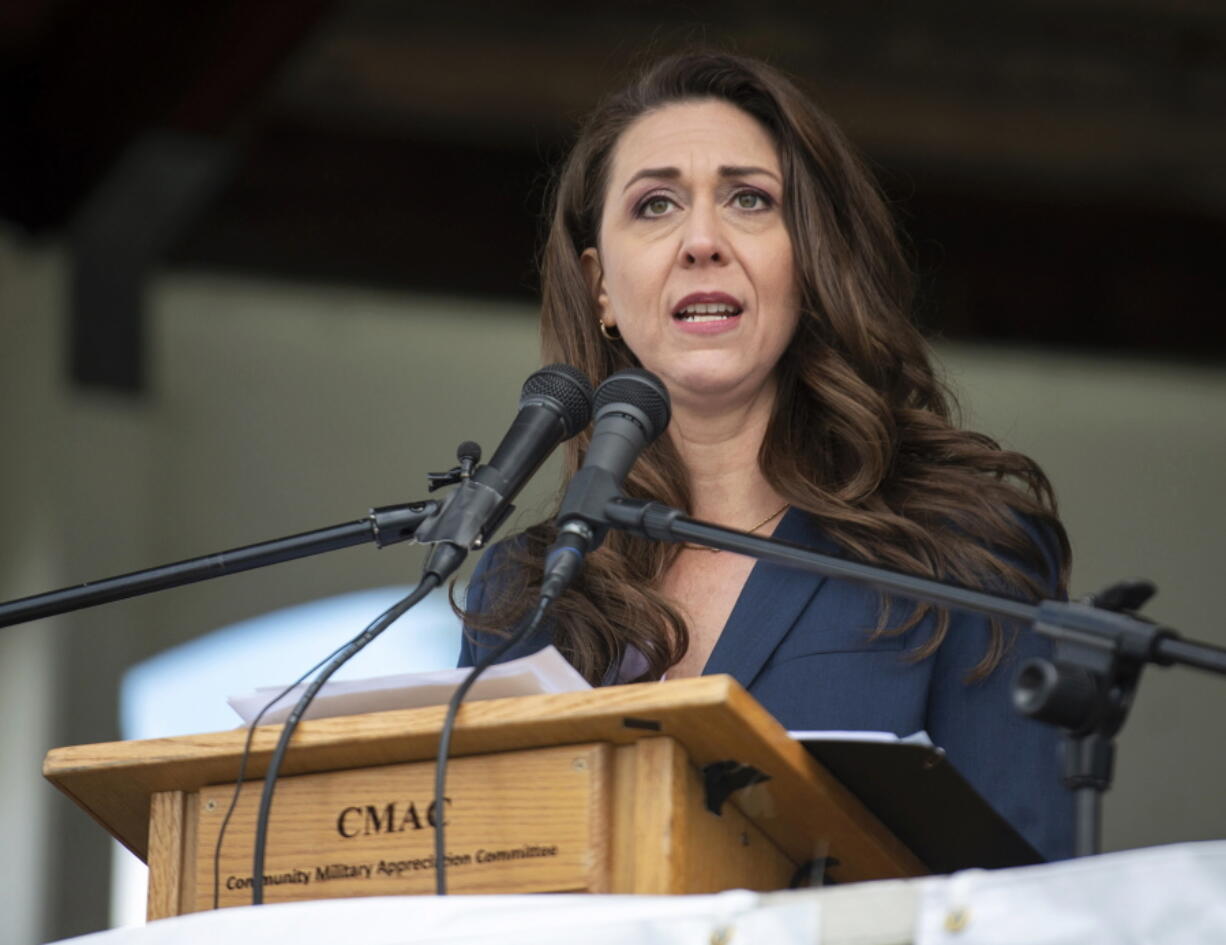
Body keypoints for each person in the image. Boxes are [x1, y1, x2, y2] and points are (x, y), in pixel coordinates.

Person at [458, 50, 1075, 861]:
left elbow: (1022, 895)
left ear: (811, 260)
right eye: (655, 205)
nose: (702, 240)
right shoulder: (525, 590)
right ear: (600, 286)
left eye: (750, 199)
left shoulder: (961, 548)